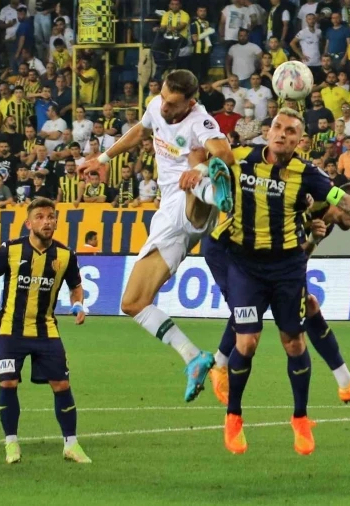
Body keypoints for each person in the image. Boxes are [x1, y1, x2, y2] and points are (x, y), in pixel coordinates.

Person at [208, 108, 350, 455]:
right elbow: (205, 157)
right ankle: (233, 415)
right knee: (248, 340)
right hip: (244, 263)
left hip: (287, 267)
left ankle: (301, 418)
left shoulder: (308, 175)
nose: (281, 134)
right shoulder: (240, 157)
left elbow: (347, 201)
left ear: (299, 141)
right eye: (277, 127)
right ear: (268, 131)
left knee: (294, 343)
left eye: (290, 131)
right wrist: (196, 173)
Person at [79, 70, 234, 402]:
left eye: (172, 103)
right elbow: (140, 131)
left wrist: (200, 169)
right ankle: (193, 356)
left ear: (190, 103)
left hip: (189, 197)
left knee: (195, 160)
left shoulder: (199, 120)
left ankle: (212, 190)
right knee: (133, 302)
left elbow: (226, 153)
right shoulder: (156, 106)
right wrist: (103, 158)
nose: (164, 106)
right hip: (168, 216)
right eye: (163, 98)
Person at [0, 197, 90, 464]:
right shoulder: (11, 249)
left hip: (45, 330)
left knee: (62, 384)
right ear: (28, 223)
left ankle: (71, 444)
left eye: (50, 217)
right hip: (10, 330)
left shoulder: (65, 255)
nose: (46, 221)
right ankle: (11, 443)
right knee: (8, 383)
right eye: (39, 217)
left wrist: (78, 304)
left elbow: (75, 286)